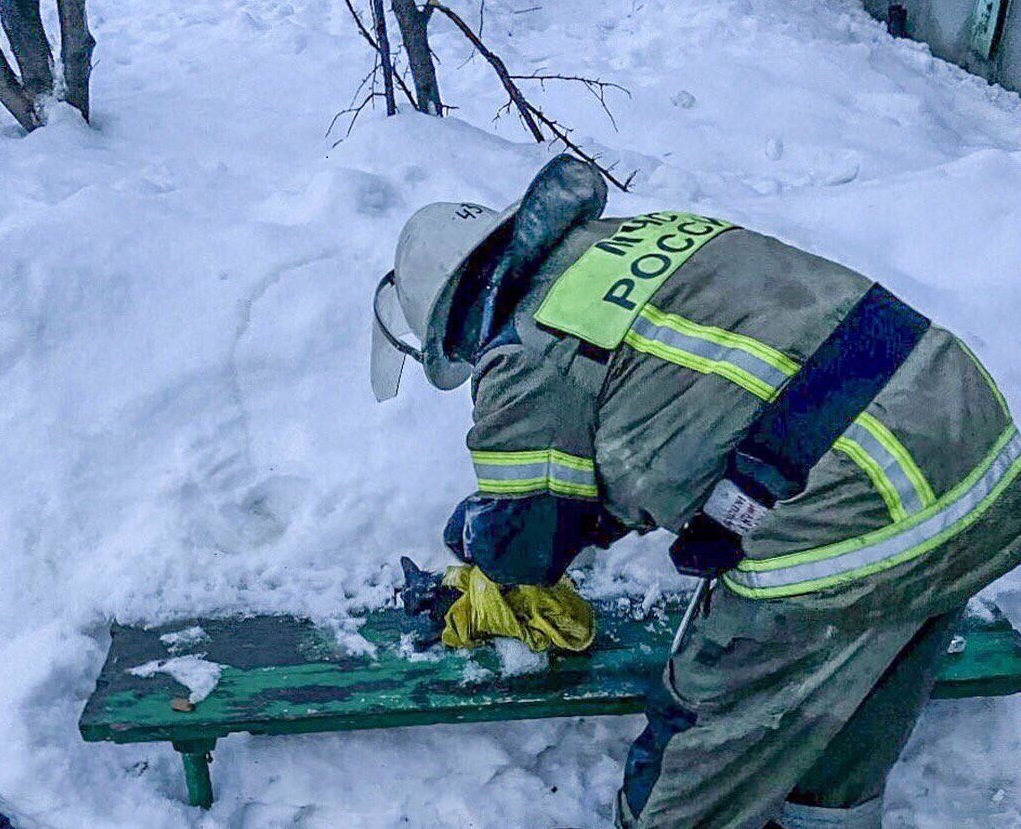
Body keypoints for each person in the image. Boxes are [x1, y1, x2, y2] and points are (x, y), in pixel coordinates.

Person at [370, 154, 1021, 829]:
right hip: (972, 448)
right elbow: (679, 410)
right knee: (838, 736)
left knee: (696, 747)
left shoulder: (524, 356)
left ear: (448, 322)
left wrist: (473, 536)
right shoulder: (638, 238)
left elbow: (525, 548)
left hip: (860, 500)